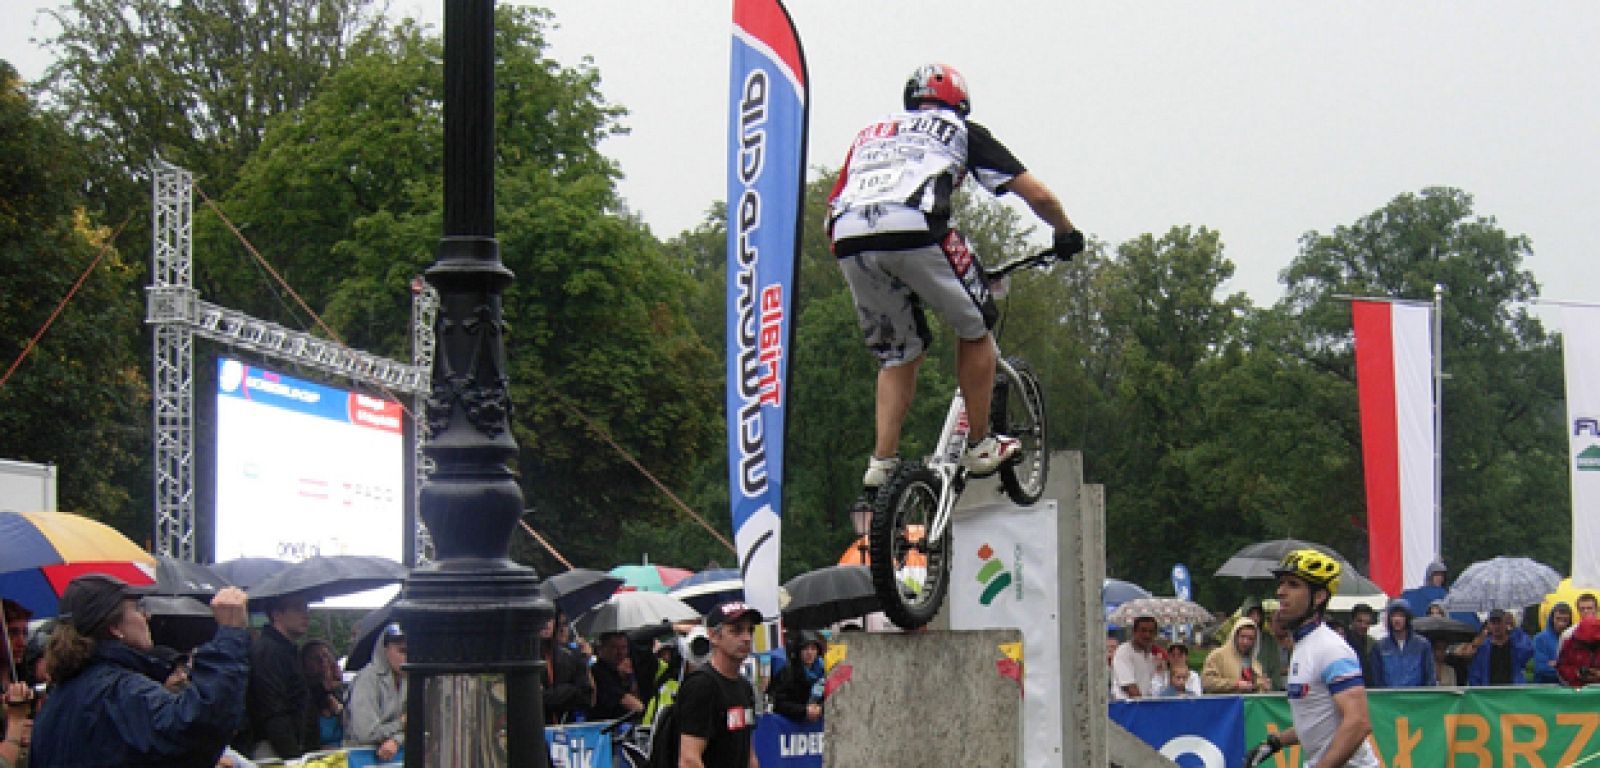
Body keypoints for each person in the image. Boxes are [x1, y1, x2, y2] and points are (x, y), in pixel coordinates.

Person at [826, 62, 1084, 494]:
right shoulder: (960, 130)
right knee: (975, 326)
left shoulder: (870, 134)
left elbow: (834, 206)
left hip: (849, 236)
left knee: (898, 353)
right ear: (959, 103)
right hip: (915, 225)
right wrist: (1065, 232)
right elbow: (1036, 194)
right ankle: (980, 444)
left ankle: (882, 463)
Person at [29, 575, 251, 767]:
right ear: (114, 628)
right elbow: (196, 730)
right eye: (137, 608)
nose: (147, 616)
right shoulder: (116, 691)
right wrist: (228, 639)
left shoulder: (56, 701)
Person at [1245, 550, 1377, 768]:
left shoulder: (1332, 648)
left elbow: (1359, 722)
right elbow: (1318, 722)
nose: (1280, 592)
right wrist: (1274, 742)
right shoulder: (1304, 645)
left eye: (1293, 584)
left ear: (1318, 597)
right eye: (1281, 584)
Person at [676, 602, 761, 768]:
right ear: (713, 636)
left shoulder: (744, 686)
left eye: (750, 630)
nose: (746, 638)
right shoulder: (701, 685)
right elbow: (689, 760)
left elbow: (748, 752)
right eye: (736, 630)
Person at [241, 593, 314, 760]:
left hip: (290, 743)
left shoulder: (287, 650)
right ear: (277, 615)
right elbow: (271, 709)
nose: (305, 614)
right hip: (273, 747)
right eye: (297, 608)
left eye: (306, 608)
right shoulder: (268, 652)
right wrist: (293, 757)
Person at [344, 623, 405, 762]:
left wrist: (397, 740)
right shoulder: (367, 679)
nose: (408, 657)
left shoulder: (412, 678)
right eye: (402, 651)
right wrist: (402, 724)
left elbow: (422, 726)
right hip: (362, 758)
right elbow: (366, 733)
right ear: (385, 650)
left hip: (398, 757)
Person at [1368, 598, 1434, 688]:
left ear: (1408, 618)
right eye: (1393, 616)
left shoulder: (1423, 645)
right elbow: (1376, 679)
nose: (1397, 619)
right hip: (1389, 698)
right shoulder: (1379, 647)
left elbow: (1429, 677)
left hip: (1416, 698)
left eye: (1401, 616)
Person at [540, 612, 593, 724]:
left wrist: (565, 691)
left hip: (566, 725)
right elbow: (534, 699)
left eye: (549, 618)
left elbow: (586, 696)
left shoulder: (571, 655)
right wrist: (569, 690)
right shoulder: (524, 657)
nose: (546, 623)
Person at [1462, 608, 1535, 686]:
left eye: (1499, 622)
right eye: (1493, 623)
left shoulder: (1515, 643)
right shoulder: (1482, 648)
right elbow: (1475, 674)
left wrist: (1515, 628)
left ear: (1506, 624)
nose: (1496, 626)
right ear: (1489, 625)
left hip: (1514, 693)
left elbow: (1528, 650)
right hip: (1489, 694)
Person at [769, 630, 827, 722]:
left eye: (813, 649)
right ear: (798, 651)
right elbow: (778, 703)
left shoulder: (824, 672)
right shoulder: (787, 672)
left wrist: (821, 710)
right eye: (805, 649)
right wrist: (804, 711)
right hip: (791, 728)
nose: (809, 653)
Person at [1201, 617, 1269, 694]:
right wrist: (1235, 684)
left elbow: (1256, 690)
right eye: (1242, 636)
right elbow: (1207, 682)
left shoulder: (1256, 664)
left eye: (1250, 638)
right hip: (1224, 705)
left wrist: (1262, 686)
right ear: (1235, 636)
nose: (1245, 642)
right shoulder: (1217, 655)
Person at [590, 631, 644, 721]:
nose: (620, 653)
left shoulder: (621, 671)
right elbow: (636, 706)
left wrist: (629, 678)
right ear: (602, 649)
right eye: (614, 647)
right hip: (604, 725)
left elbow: (635, 697)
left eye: (624, 647)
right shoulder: (598, 671)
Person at [300, 639, 344, 750]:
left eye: (325, 655)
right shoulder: (303, 697)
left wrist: (340, 710)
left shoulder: (343, 692)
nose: (323, 661)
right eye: (315, 658)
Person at [1111, 616, 1160, 699]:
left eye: (1151, 631)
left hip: (1141, 704)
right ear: (1134, 632)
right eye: (1143, 630)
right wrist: (1145, 709)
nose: (1147, 635)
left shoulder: (1150, 655)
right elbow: (1129, 687)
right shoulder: (1124, 651)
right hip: (1126, 707)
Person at [1534, 602, 1573, 684]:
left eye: (1565, 620)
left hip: (1568, 689)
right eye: (1558, 618)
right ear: (1552, 618)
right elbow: (1541, 668)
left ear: (1569, 621)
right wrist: (1565, 667)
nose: (1561, 623)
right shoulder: (1540, 639)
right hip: (1545, 688)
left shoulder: (1574, 639)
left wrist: (1556, 664)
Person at [1557, 616, 1600, 687]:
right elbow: (1561, 666)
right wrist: (1576, 673)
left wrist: (1597, 674)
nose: (1588, 643)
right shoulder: (1569, 643)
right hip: (1576, 689)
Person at [1344, 603, 1378, 687]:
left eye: (1367, 623)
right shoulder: (1343, 642)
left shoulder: (1373, 643)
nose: (1363, 626)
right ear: (1352, 620)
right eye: (1359, 621)